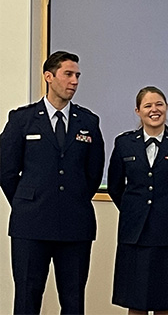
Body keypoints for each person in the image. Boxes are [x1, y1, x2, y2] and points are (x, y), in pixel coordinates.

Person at [0, 51, 105, 314]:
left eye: (77, 75)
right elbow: (7, 171)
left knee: (73, 301)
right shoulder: (22, 120)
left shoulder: (88, 122)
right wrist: (28, 201)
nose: (74, 81)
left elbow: (93, 173)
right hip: (31, 225)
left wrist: (72, 197)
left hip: (74, 224)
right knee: (26, 298)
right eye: (68, 74)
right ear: (49, 77)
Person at [107, 86, 168, 314]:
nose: (154, 110)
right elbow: (115, 186)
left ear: (166, 108)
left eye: (159, 104)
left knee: (165, 302)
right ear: (138, 111)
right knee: (135, 303)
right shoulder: (124, 143)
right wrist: (134, 209)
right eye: (148, 105)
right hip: (134, 233)